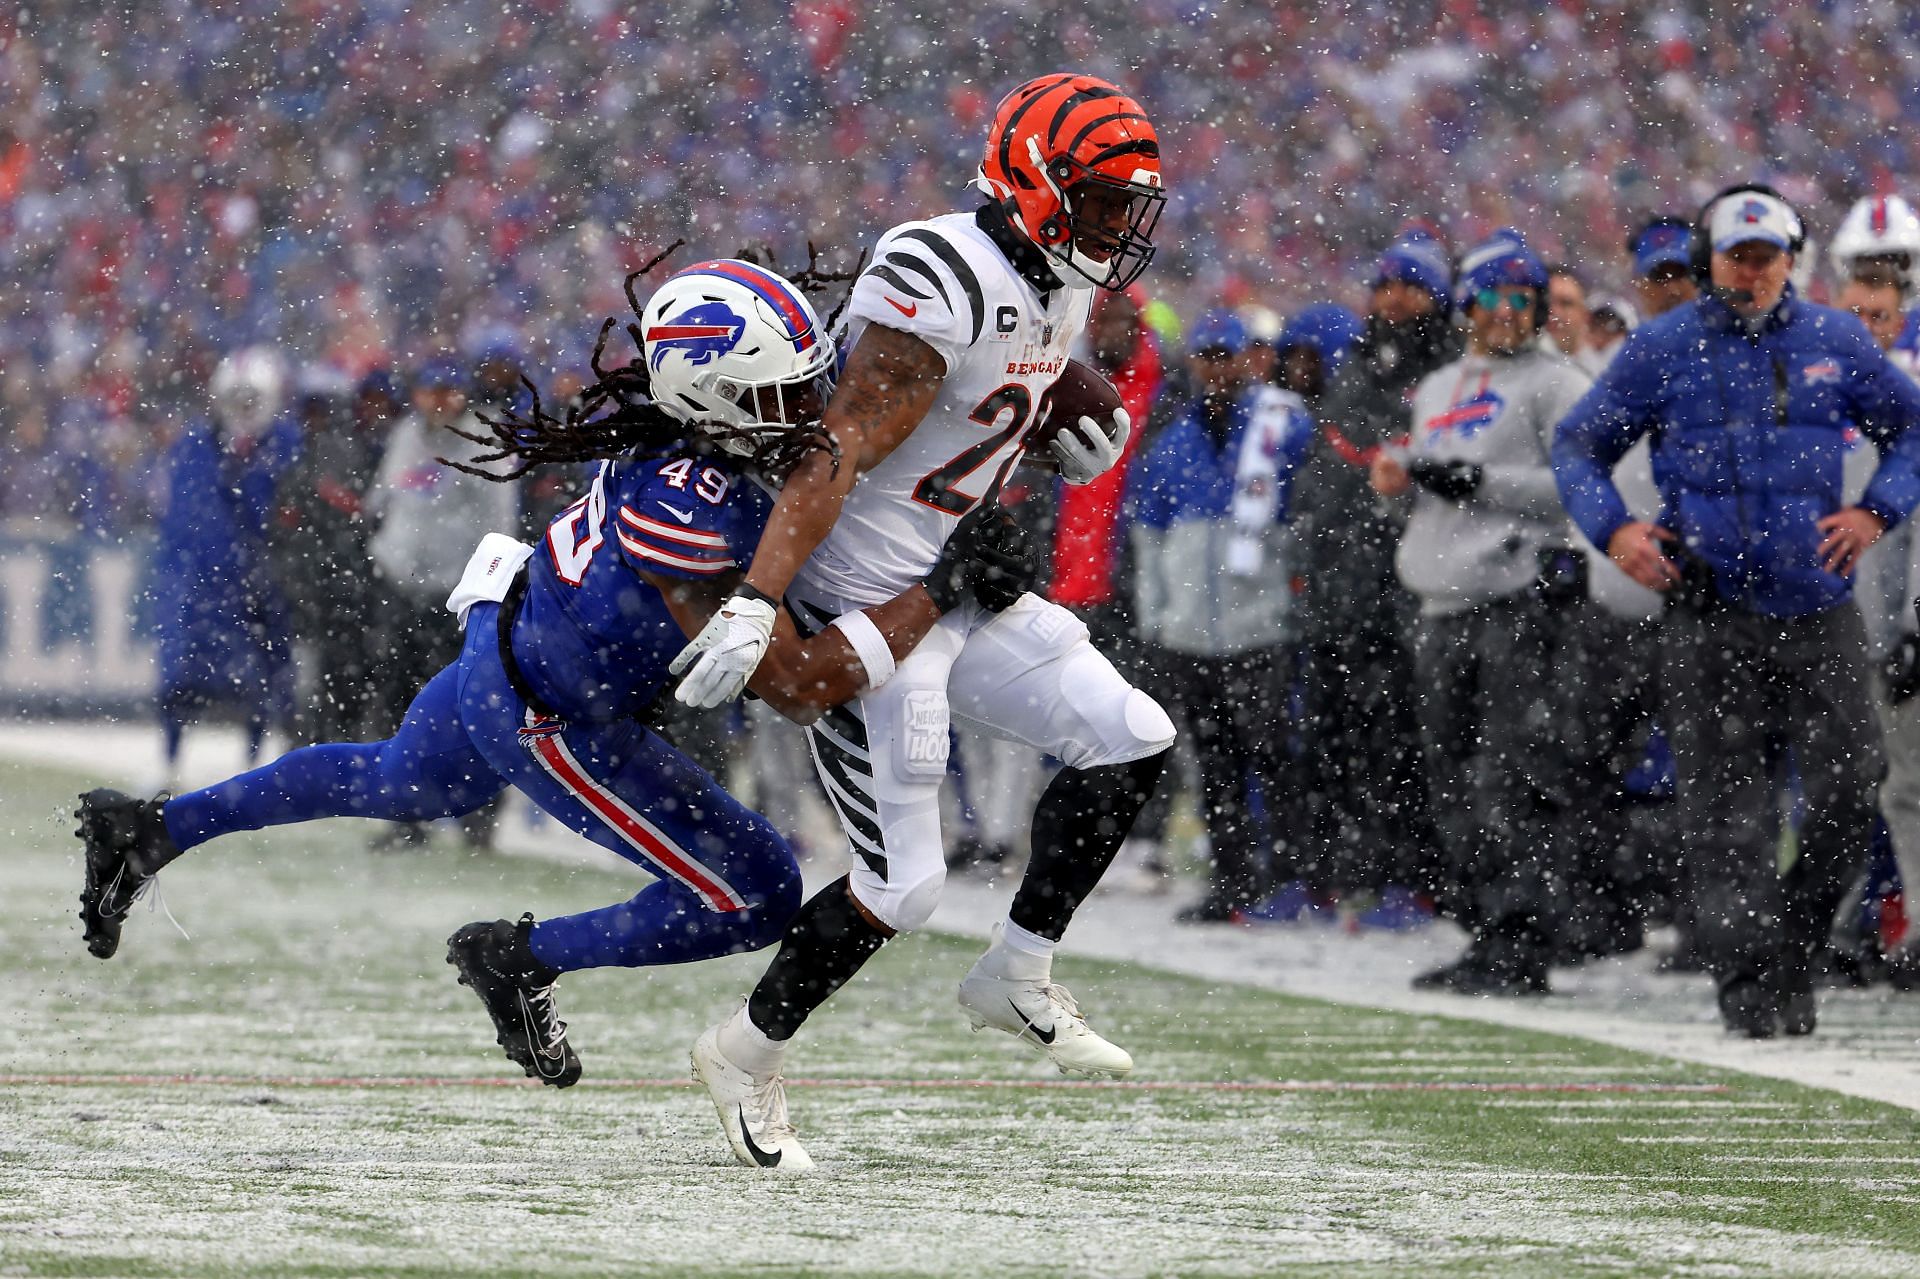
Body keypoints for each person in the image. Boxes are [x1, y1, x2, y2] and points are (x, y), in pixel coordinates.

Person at [74, 261, 1031, 1148]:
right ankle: (523, 955)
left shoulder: (691, 438)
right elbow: (799, 684)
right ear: (718, 399)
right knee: (759, 890)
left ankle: (154, 829)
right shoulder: (697, 510)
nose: (814, 408)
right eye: (788, 393)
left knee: (391, 778)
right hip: (559, 714)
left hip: (513, 643)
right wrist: (946, 586)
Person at [667, 73, 1178, 1170]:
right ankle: (743, 1053)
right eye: (1097, 200)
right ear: (1033, 184)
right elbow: (843, 440)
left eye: (1125, 205)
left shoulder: (1058, 278)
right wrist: (759, 600)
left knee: (1132, 737)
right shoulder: (938, 272)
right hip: (868, 603)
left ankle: (1017, 971)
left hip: (956, 580)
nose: (1116, 228)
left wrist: (1063, 405)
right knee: (904, 884)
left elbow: (995, 391)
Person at [1553, 184, 1920, 1037]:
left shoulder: (1834, 338)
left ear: (1792, 258)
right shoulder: (1663, 346)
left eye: (1766, 257)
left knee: (1851, 783)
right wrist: (1616, 532)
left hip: (1818, 605)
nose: (1751, 272)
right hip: (1707, 606)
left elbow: (1911, 431)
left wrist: (1878, 511)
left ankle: (1785, 946)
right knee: (1727, 813)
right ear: (1709, 259)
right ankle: (1756, 992)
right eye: (1735, 257)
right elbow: (1578, 442)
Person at [1368, 228, 1592, 993]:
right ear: (1468, 305)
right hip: (1438, 601)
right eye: (1493, 297)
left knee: (1512, 776)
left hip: (1511, 602)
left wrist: (1481, 481)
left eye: (1521, 298)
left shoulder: (1555, 383)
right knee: (1451, 781)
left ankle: (1523, 937)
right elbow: (1440, 488)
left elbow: (1578, 486)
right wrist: (1405, 481)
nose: (1507, 311)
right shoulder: (1438, 387)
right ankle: (1485, 926)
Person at [1129, 309, 1314, 922]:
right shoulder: (1175, 441)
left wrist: (1289, 600)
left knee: (1271, 756)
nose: (1216, 368)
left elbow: (1302, 519)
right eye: (1205, 356)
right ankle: (1234, 882)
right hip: (1192, 634)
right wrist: (1158, 620)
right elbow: (1149, 538)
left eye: (1225, 355)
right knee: (1215, 764)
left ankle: (1284, 877)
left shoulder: (1278, 428)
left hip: (1258, 625)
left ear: (1247, 358)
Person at [1291, 226, 1458, 902]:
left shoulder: (1449, 371)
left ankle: (1416, 875)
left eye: (1410, 286)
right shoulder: (1356, 365)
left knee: (1411, 739)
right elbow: (1329, 471)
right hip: (1342, 585)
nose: (1394, 298)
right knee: (1338, 737)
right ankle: (1345, 871)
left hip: (1412, 586)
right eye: (1386, 284)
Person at [365, 354, 520, 849]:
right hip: (403, 590)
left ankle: (477, 819)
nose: (439, 401)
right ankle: (408, 815)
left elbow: (501, 518)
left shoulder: (484, 438)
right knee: (400, 705)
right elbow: (383, 500)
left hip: (458, 596)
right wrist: (383, 552)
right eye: (430, 390)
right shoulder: (407, 437)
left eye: (448, 391)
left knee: (468, 706)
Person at [151, 347, 300, 790]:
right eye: (237, 399)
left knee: (262, 677)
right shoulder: (197, 443)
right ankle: (170, 759)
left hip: (260, 580)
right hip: (203, 581)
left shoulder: (286, 446)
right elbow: (182, 516)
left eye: (251, 400)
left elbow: (287, 516)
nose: (244, 410)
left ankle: (252, 760)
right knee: (181, 676)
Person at [1628, 216, 1699, 321]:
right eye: (1658, 276)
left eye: (1681, 273)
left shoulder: (1728, 332)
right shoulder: (1624, 335)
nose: (1673, 291)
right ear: (1638, 284)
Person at [1545, 263, 1603, 375]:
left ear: (1585, 316)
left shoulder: (1601, 374)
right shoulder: (1512, 370)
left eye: (1566, 303)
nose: (1553, 311)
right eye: (1547, 302)